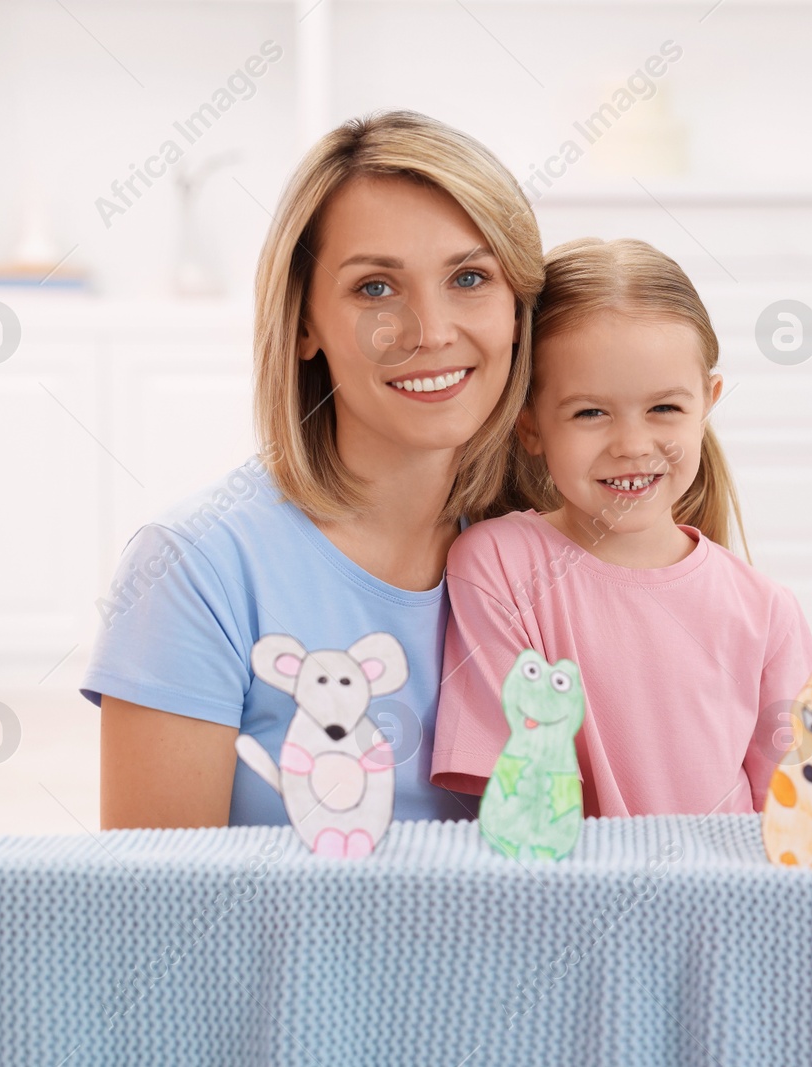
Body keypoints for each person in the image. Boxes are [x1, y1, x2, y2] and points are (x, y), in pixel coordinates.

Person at [81, 111, 544, 829]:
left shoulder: (562, 544)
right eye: (375, 289)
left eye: (470, 276)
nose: (431, 330)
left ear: (517, 309)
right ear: (304, 324)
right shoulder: (193, 570)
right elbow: (159, 922)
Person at [431, 238, 812, 817]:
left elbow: (803, 812)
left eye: (665, 408)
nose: (633, 446)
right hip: (576, 901)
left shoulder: (769, 612)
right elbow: (519, 802)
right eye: (591, 413)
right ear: (530, 426)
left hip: (727, 902)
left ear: (707, 403)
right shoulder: (496, 567)